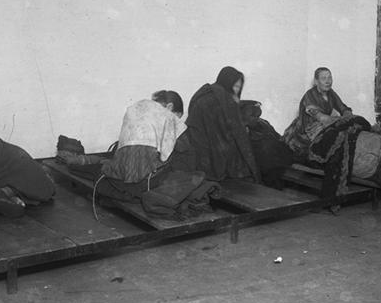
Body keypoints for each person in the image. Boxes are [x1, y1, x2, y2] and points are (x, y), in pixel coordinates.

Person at [58, 90, 220, 218]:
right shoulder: (167, 116)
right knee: (190, 173)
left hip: (120, 173)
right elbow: (185, 152)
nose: (177, 120)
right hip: (144, 178)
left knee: (106, 163)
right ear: (170, 107)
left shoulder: (137, 108)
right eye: (178, 116)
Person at [284, 67, 371, 201]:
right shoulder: (309, 96)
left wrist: (347, 116)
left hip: (324, 125)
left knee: (348, 130)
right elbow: (322, 118)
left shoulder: (331, 94)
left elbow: (343, 108)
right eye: (323, 78)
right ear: (316, 81)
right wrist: (341, 120)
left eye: (330, 77)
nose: (328, 81)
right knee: (336, 138)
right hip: (307, 132)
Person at [186, 66, 260, 183]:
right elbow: (235, 135)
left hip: (198, 157)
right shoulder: (224, 101)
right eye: (235, 87)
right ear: (227, 83)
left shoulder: (203, 93)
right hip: (216, 159)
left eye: (239, 88)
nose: (237, 91)